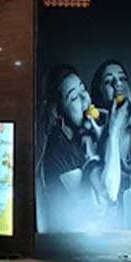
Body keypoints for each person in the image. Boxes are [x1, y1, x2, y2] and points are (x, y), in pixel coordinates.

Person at [37, 65, 109, 232]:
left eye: (83, 89)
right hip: (68, 244)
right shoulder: (59, 149)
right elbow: (96, 208)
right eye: (74, 97)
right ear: (59, 111)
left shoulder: (83, 137)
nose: (85, 98)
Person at [90, 60, 131, 229]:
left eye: (123, 78)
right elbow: (109, 191)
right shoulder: (89, 135)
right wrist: (114, 130)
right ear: (98, 92)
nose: (118, 84)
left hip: (126, 232)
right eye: (108, 81)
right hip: (93, 233)